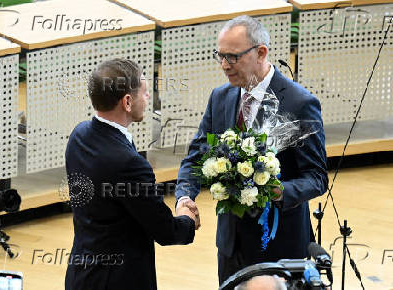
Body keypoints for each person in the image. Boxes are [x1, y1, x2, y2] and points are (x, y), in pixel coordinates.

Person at [175, 15, 328, 285]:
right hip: (231, 245)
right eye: (219, 56)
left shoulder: (299, 103)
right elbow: (196, 156)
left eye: (232, 57)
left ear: (261, 52)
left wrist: (278, 191)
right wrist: (184, 197)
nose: (224, 65)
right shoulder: (220, 97)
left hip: (279, 247)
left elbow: (316, 178)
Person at [65, 58, 198, 290]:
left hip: (82, 275)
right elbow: (165, 231)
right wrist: (187, 219)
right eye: (145, 93)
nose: (148, 99)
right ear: (127, 101)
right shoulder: (129, 164)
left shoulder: (79, 135)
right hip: (119, 280)